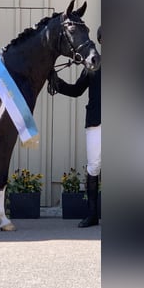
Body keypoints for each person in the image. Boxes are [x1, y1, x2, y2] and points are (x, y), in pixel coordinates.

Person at [48, 26, 101, 228]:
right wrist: (57, 83)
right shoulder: (92, 66)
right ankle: (93, 215)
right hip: (96, 121)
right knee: (93, 167)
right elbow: (77, 90)